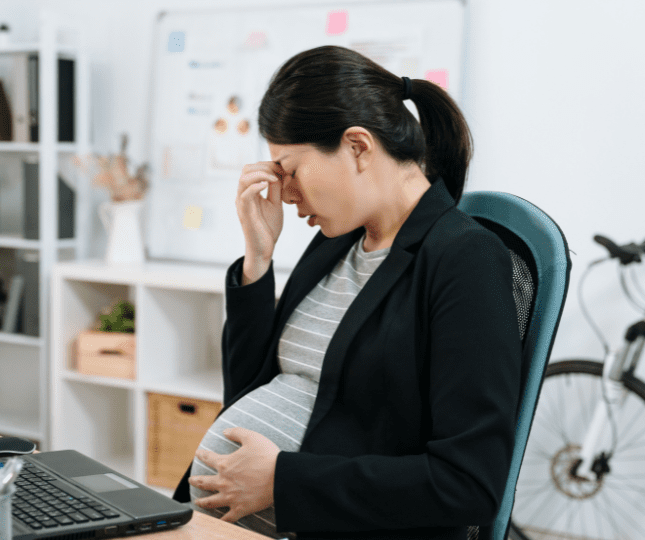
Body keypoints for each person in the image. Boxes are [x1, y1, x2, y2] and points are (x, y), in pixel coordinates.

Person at [172, 45, 521, 540]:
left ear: (358, 147)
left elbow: (468, 483)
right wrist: (258, 260)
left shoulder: (465, 258)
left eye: (290, 170)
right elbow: (245, 394)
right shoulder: (335, 245)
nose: (285, 194)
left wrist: (283, 481)